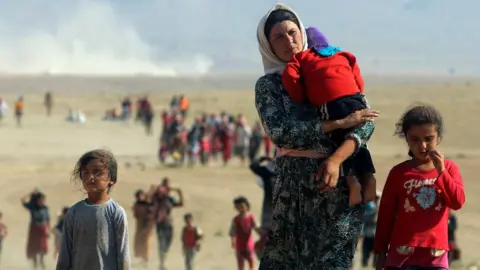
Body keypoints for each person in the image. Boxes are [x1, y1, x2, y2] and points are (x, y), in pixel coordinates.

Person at [255, 3, 379, 269]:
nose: (289, 41)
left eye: (292, 32)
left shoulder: (329, 65)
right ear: (268, 45)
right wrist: (338, 123)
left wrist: (335, 160)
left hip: (340, 191)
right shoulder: (269, 86)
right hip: (293, 195)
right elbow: (281, 133)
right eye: (278, 36)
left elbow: (365, 122)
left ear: (301, 32)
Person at [282, 26, 376, 206]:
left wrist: (301, 95)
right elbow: (357, 75)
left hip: (331, 104)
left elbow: (290, 76)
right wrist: (357, 94)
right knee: (357, 140)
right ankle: (369, 177)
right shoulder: (343, 54)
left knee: (334, 139)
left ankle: (352, 182)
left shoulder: (303, 57)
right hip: (356, 100)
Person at [374, 104, 465, 270]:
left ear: (438, 138)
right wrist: (380, 254)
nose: (422, 146)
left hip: (435, 258)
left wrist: (441, 171)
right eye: (415, 139)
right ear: (406, 139)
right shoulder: (399, 173)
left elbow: (457, 202)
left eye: (428, 139)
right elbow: (385, 216)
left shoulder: (450, 169)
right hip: (401, 257)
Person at [56, 149, 131, 270]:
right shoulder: (74, 212)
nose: (91, 177)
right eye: (85, 173)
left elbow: (123, 255)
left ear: (112, 178)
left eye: (97, 172)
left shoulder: (116, 212)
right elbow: (64, 254)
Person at [151, 178, 184, 270]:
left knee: (168, 241)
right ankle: (162, 263)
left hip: (168, 222)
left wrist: (180, 194)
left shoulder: (169, 199)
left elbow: (180, 204)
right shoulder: (157, 197)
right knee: (162, 242)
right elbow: (150, 198)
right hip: (160, 222)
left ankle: (163, 259)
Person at [21, 189, 50, 270]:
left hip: (42, 229)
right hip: (34, 229)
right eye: (41, 199)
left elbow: (48, 220)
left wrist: (48, 230)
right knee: (34, 247)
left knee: (42, 247)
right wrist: (30, 193)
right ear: (37, 200)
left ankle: (41, 261)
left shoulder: (45, 208)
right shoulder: (32, 206)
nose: (42, 201)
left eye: (43, 199)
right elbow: (22, 201)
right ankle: (35, 263)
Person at [230, 196, 261, 270]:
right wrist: (232, 241)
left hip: (249, 245)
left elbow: (257, 228)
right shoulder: (235, 220)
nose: (240, 208)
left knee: (251, 263)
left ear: (247, 206)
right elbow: (232, 232)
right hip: (239, 246)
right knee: (240, 265)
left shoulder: (251, 218)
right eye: (238, 206)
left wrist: (263, 235)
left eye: (242, 206)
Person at [132, 189, 155, 267]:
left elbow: (151, 215)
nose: (139, 198)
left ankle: (146, 260)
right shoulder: (137, 204)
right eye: (137, 196)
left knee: (146, 242)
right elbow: (136, 214)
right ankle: (142, 259)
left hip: (147, 226)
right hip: (139, 225)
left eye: (140, 196)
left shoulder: (149, 204)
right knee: (139, 242)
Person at [361, 192, 381, 268]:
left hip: (377, 237)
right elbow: (365, 219)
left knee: (376, 260)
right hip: (368, 235)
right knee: (365, 257)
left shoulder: (381, 208)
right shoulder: (369, 207)